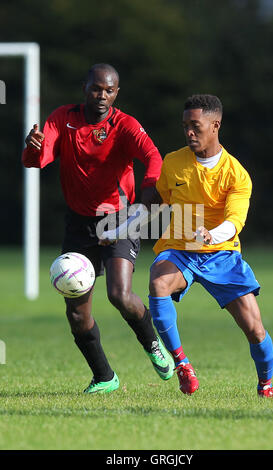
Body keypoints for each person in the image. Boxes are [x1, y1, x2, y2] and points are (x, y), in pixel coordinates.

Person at [22, 63, 174, 394]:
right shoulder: (62, 118)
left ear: (116, 93)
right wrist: (32, 148)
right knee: (77, 314)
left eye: (109, 90)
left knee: (120, 294)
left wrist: (144, 203)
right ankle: (104, 376)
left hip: (120, 218)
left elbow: (154, 158)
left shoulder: (125, 125)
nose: (101, 95)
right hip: (79, 224)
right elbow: (37, 159)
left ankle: (152, 345)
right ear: (84, 87)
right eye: (96, 88)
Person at [148, 94, 273, 398]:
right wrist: (118, 228)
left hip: (222, 254)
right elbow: (157, 204)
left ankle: (266, 384)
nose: (189, 132)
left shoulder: (236, 174)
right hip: (180, 248)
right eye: (185, 127)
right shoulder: (173, 162)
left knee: (255, 330)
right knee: (158, 283)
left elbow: (235, 222)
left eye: (195, 126)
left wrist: (211, 236)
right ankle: (182, 364)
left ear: (215, 125)